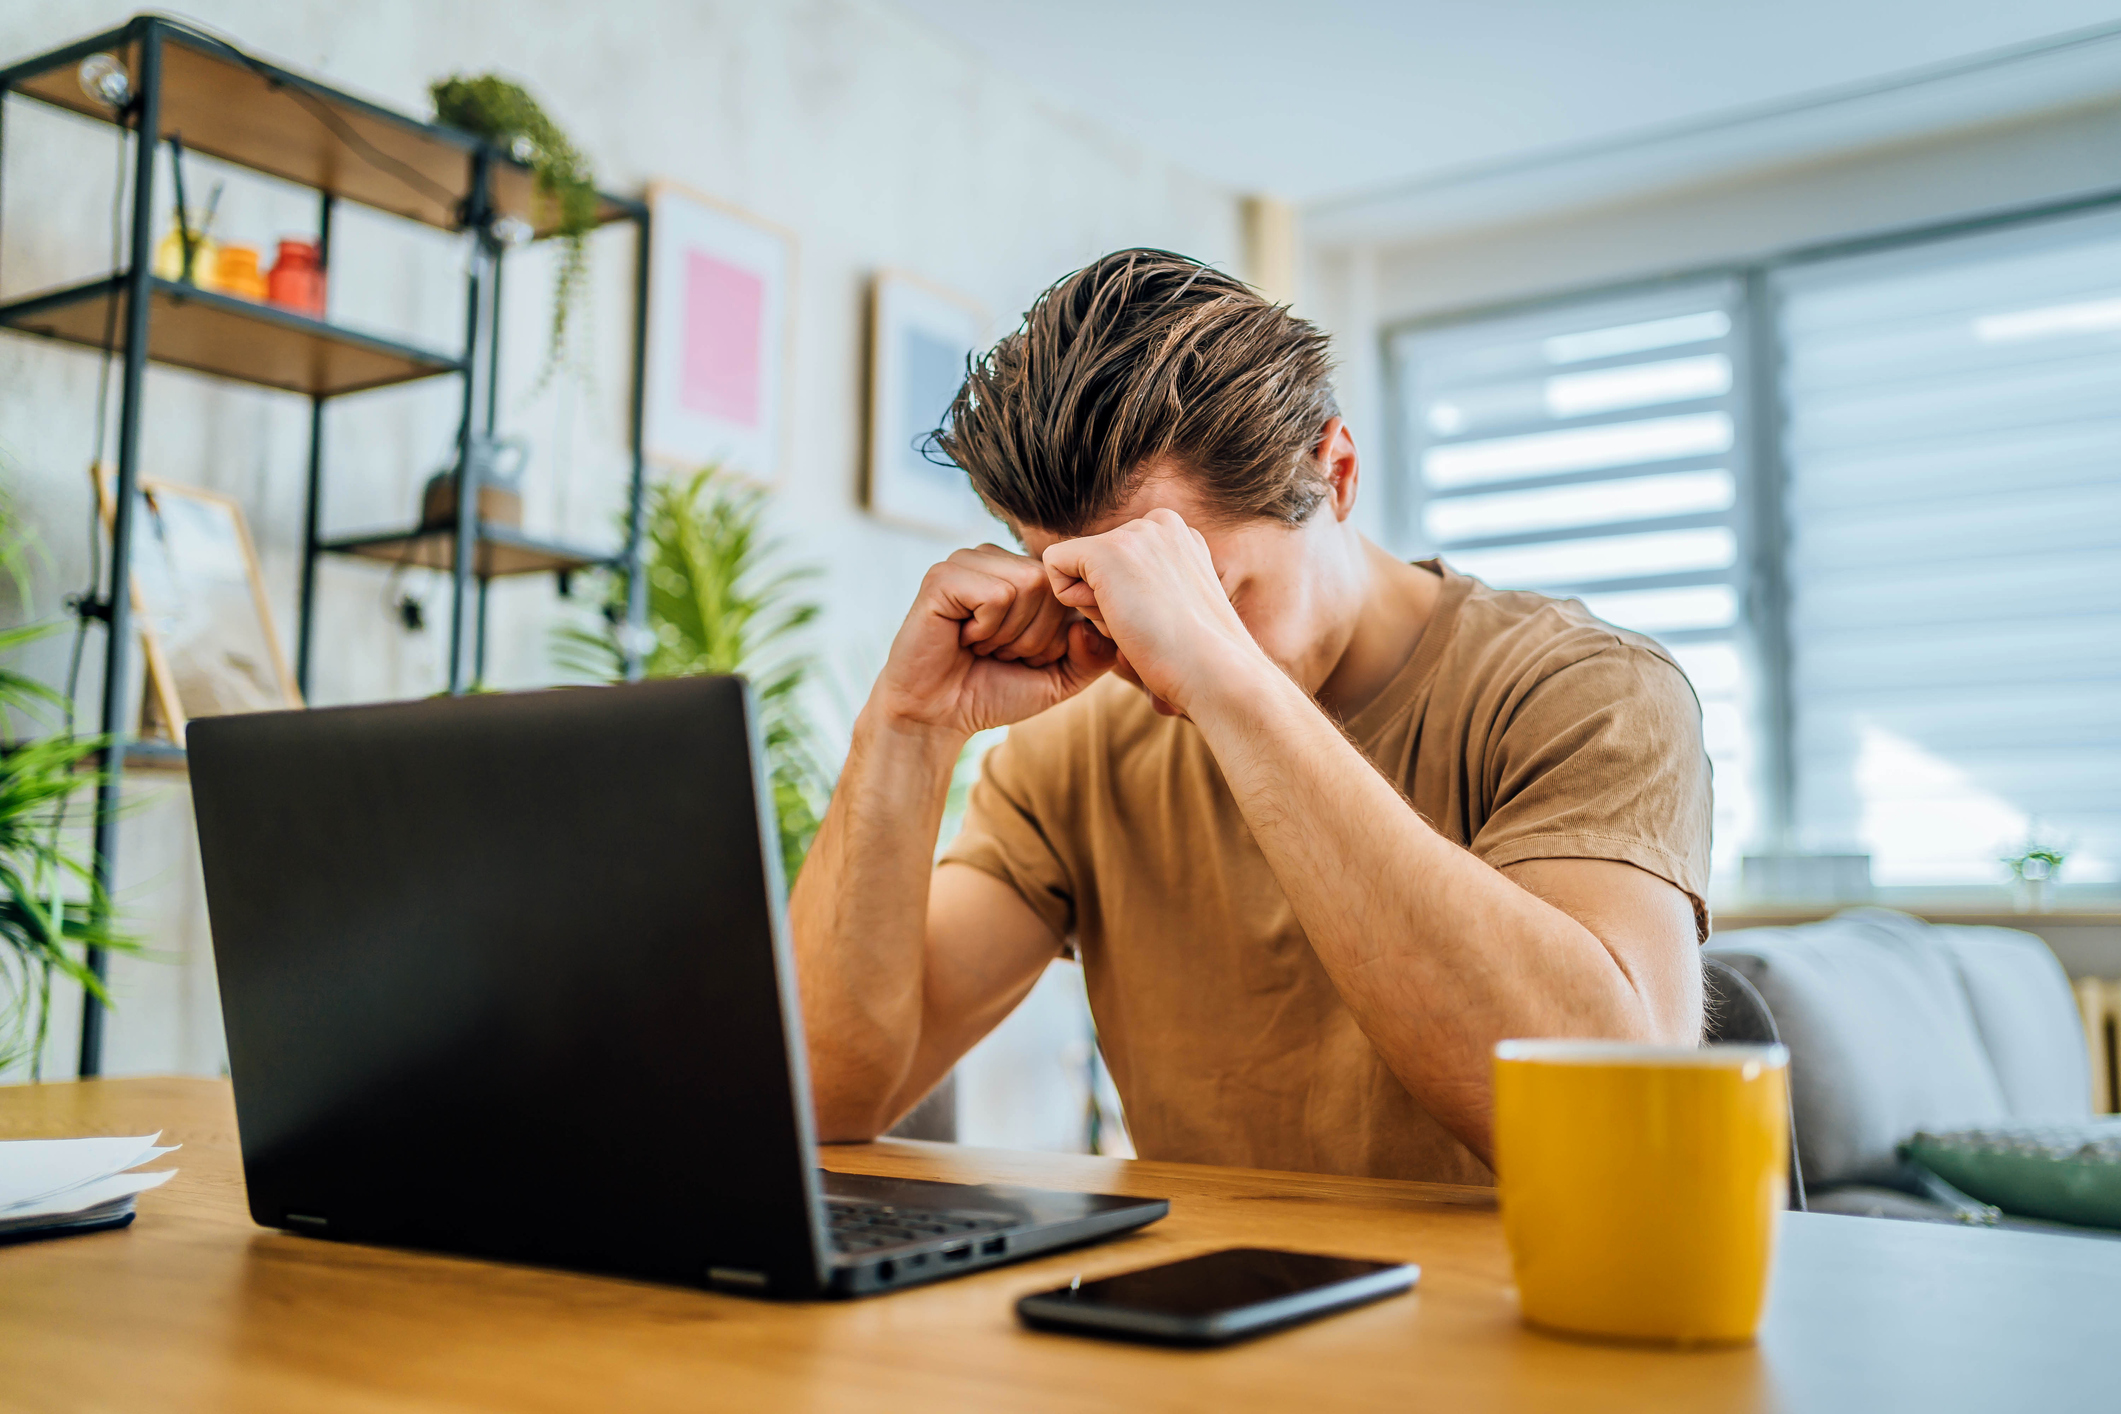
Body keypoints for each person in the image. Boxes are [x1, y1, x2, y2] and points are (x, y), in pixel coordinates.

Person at [791, 249, 1709, 1184]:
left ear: (1336, 473)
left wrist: (1225, 679)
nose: (1147, 669)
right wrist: (907, 729)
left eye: (1206, 593)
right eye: (1096, 603)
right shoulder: (1078, 753)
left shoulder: (1587, 692)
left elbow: (1624, 1131)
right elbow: (821, 1102)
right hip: (1202, 1315)